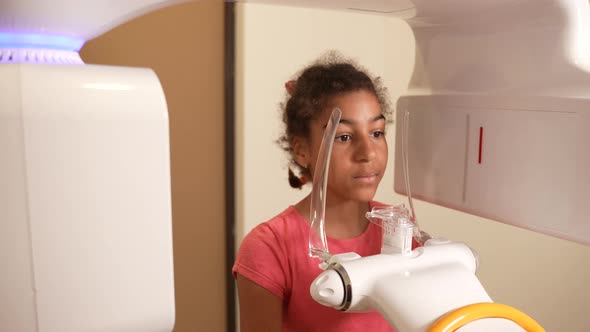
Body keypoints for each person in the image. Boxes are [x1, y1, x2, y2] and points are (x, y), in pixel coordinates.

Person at [233, 51, 395, 331]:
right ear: (302, 150)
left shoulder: (397, 231)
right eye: (344, 137)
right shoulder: (269, 247)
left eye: (377, 133)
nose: (368, 153)